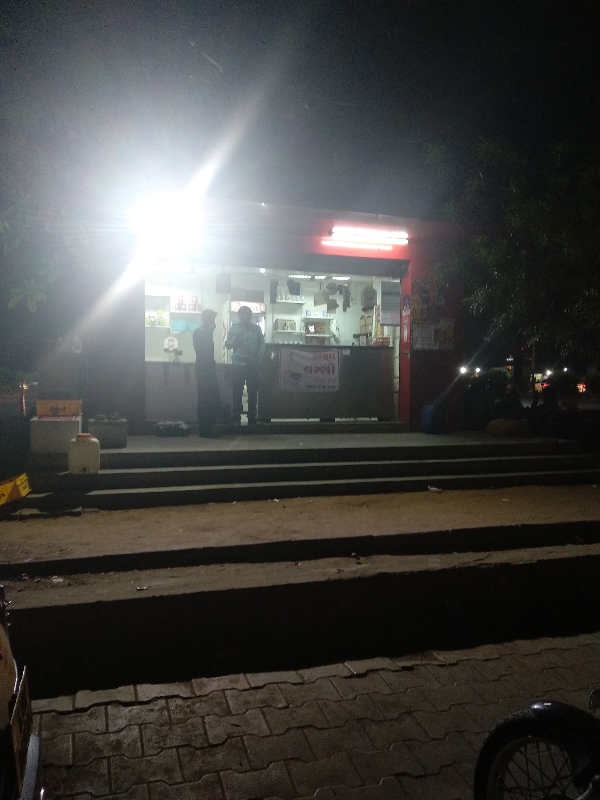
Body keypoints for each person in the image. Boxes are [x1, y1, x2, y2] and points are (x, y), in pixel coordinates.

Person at [225, 305, 265, 426]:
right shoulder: (234, 329)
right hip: (238, 364)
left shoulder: (257, 329)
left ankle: (252, 416)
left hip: (253, 364)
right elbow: (228, 345)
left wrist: (257, 359)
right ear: (239, 316)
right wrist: (236, 338)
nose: (244, 316)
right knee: (237, 391)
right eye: (242, 313)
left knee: (253, 391)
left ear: (250, 316)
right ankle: (236, 416)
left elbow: (262, 345)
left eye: (247, 314)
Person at [192, 309, 220, 437]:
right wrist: (209, 332)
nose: (213, 321)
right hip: (203, 368)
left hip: (209, 367)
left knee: (213, 397)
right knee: (205, 398)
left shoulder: (206, 332)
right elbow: (202, 350)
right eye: (211, 318)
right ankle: (204, 428)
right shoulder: (199, 332)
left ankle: (210, 426)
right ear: (204, 319)